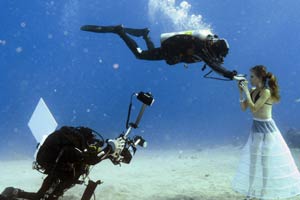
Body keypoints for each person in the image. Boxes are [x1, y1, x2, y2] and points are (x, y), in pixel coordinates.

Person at [0, 126, 126, 200]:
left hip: (54, 166)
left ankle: (15, 192)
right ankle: (12, 193)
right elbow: (90, 159)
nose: (90, 147)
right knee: (42, 196)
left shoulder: (70, 140)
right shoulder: (72, 147)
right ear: (84, 140)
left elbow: (91, 156)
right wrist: (109, 149)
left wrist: (108, 153)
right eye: (90, 144)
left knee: (46, 192)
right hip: (55, 168)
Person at [232, 65, 300, 199]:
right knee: (253, 160)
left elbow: (254, 109)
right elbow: (243, 108)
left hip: (267, 129)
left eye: (252, 76)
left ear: (259, 78)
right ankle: (250, 191)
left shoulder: (266, 92)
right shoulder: (252, 90)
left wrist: (246, 91)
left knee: (264, 161)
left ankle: (264, 192)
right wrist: (241, 92)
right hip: (256, 127)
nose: (249, 79)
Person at [80, 24, 237, 79]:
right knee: (140, 55)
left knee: (152, 52)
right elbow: (212, 64)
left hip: (169, 52)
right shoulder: (201, 47)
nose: (216, 57)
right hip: (169, 51)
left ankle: (145, 34)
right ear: (215, 49)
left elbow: (214, 62)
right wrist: (227, 73)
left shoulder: (205, 45)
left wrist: (226, 71)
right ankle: (119, 31)